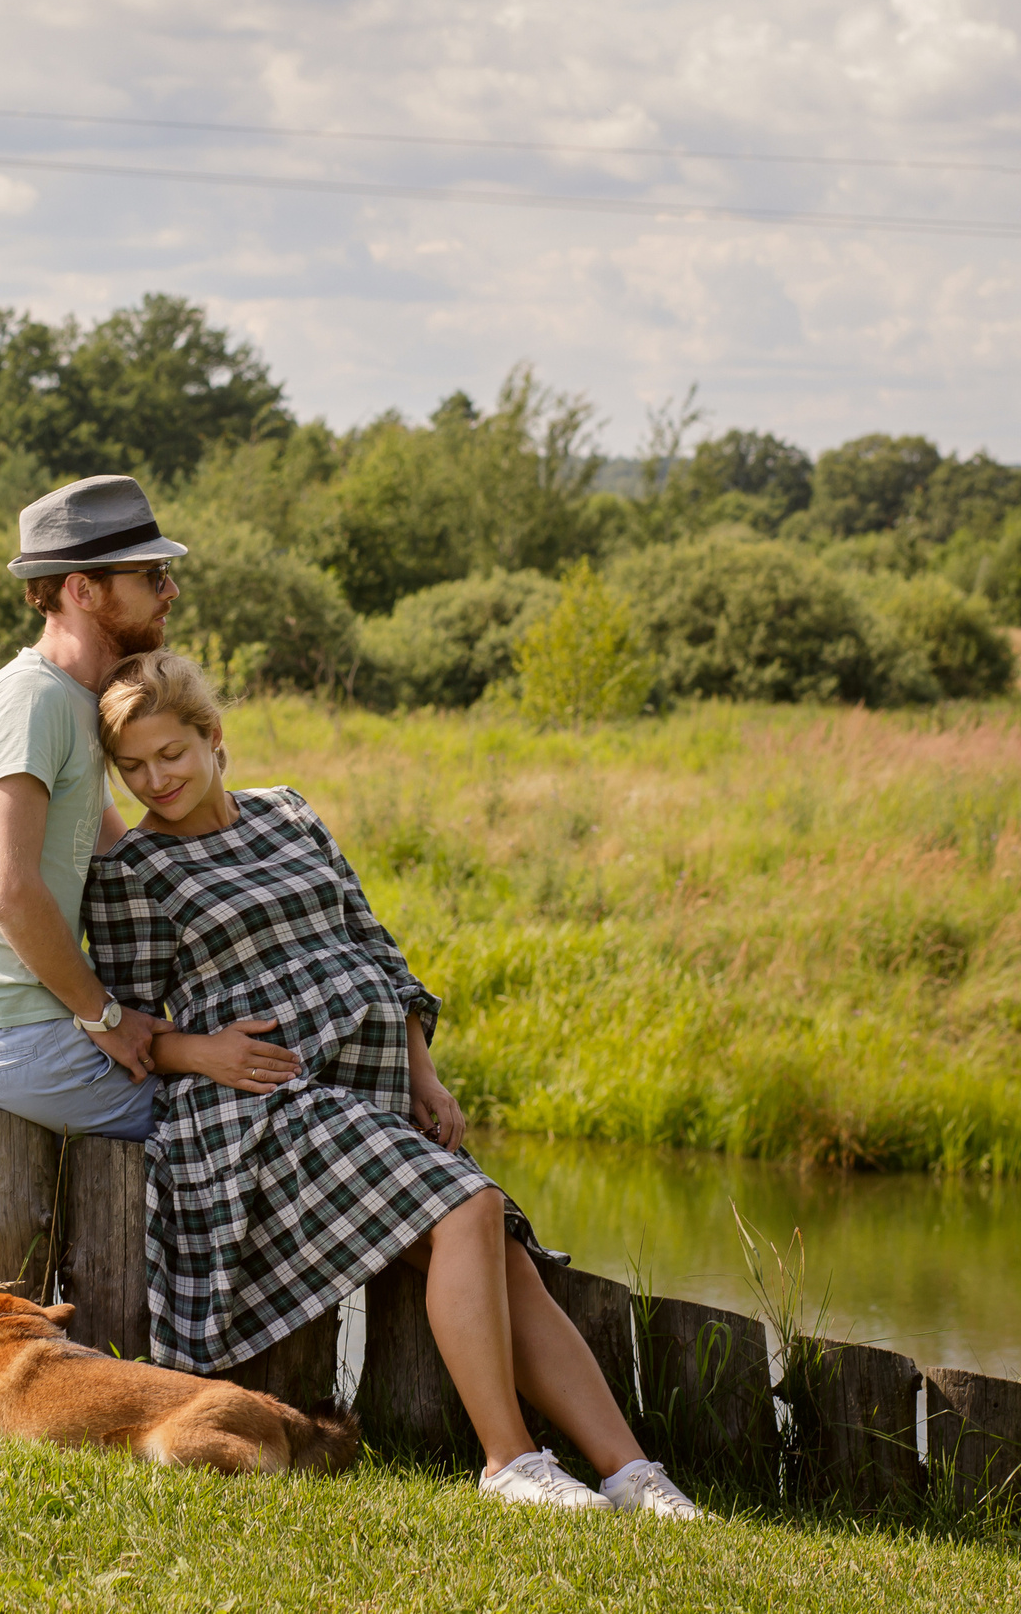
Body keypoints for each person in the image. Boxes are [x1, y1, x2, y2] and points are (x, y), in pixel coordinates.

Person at [83, 649, 703, 1517]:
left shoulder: (289, 813)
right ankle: (508, 1462)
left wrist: (424, 1072)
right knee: (471, 1206)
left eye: (170, 753)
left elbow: (372, 942)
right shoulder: (133, 870)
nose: (156, 780)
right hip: (260, 1106)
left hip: (367, 1084)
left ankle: (632, 1473)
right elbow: (128, 1022)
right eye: (133, 766)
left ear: (212, 735)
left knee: (500, 1251)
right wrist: (204, 1053)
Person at [0, 475, 190, 1142]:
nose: (171, 591)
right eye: (152, 575)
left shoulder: (73, 700)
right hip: (8, 1039)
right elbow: (8, 889)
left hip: (19, 1035)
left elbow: (128, 859)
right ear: (82, 590)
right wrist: (106, 1017)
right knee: (225, 1126)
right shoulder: (32, 699)